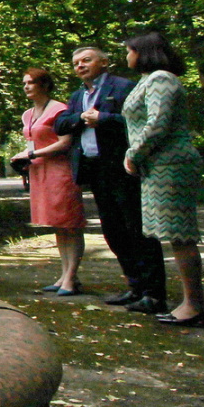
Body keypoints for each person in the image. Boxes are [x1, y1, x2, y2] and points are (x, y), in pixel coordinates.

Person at [53, 46, 168, 314]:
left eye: (86, 60)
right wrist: (82, 118)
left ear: (104, 63)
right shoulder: (78, 96)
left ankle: (154, 293)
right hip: (94, 170)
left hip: (123, 168)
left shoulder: (124, 87)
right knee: (113, 231)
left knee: (137, 229)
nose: (80, 66)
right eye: (76, 63)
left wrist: (103, 118)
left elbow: (140, 122)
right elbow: (60, 124)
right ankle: (135, 286)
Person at [120, 32, 204, 328]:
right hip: (158, 165)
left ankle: (195, 305)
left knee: (180, 234)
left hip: (171, 164)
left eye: (129, 51)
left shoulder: (161, 78)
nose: (127, 56)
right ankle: (191, 301)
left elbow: (158, 122)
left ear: (143, 52)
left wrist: (134, 154)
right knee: (174, 235)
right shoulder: (148, 80)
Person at [11, 67, 85, 294]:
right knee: (58, 225)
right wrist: (25, 158)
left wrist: (33, 154)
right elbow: (32, 142)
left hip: (60, 171)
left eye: (31, 82)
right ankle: (64, 274)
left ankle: (71, 277)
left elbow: (65, 142)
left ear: (44, 85)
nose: (26, 87)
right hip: (39, 172)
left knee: (70, 224)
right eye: (24, 83)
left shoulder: (59, 110)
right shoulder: (27, 114)